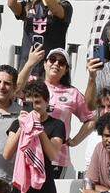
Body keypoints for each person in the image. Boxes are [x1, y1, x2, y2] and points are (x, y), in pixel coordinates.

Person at [17, 47, 93, 176]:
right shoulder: (32, 82)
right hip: (28, 151)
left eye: (62, 62)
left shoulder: (72, 93)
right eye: (52, 60)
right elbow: (16, 89)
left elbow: (91, 119)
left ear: (66, 70)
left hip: (56, 158)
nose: (56, 64)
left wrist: (75, 141)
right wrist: (30, 63)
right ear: (45, 64)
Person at [5, 80, 64, 193]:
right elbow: (7, 154)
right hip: (22, 184)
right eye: (29, 104)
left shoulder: (57, 125)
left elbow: (53, 155)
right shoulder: (16, 124)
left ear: (47, 102)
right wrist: (22, 126)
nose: (34, 108)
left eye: (38, 103)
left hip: (45, 186)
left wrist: (39, 129)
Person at [9, 0, 73, 73]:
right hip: (27, 65)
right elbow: (11, 4)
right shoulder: (30, 5)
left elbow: (54, 8)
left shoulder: (65, 6)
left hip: (51, 66)